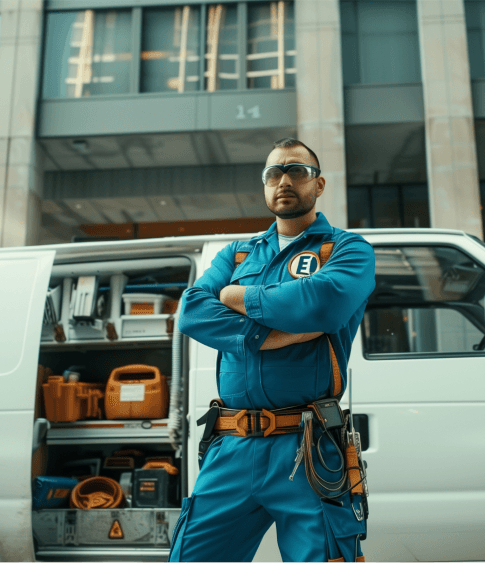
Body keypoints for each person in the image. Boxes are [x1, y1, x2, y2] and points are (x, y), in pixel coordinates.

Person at [170, 138, 376, 563]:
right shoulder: (239, 252)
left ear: (318, 185)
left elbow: (323, 301)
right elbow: (191, 311)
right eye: (273, 173)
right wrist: (267, 335)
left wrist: (235, 296)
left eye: (296, 171)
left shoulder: (346, 249)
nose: (284, 180)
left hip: (308, 448)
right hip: (231, 446)